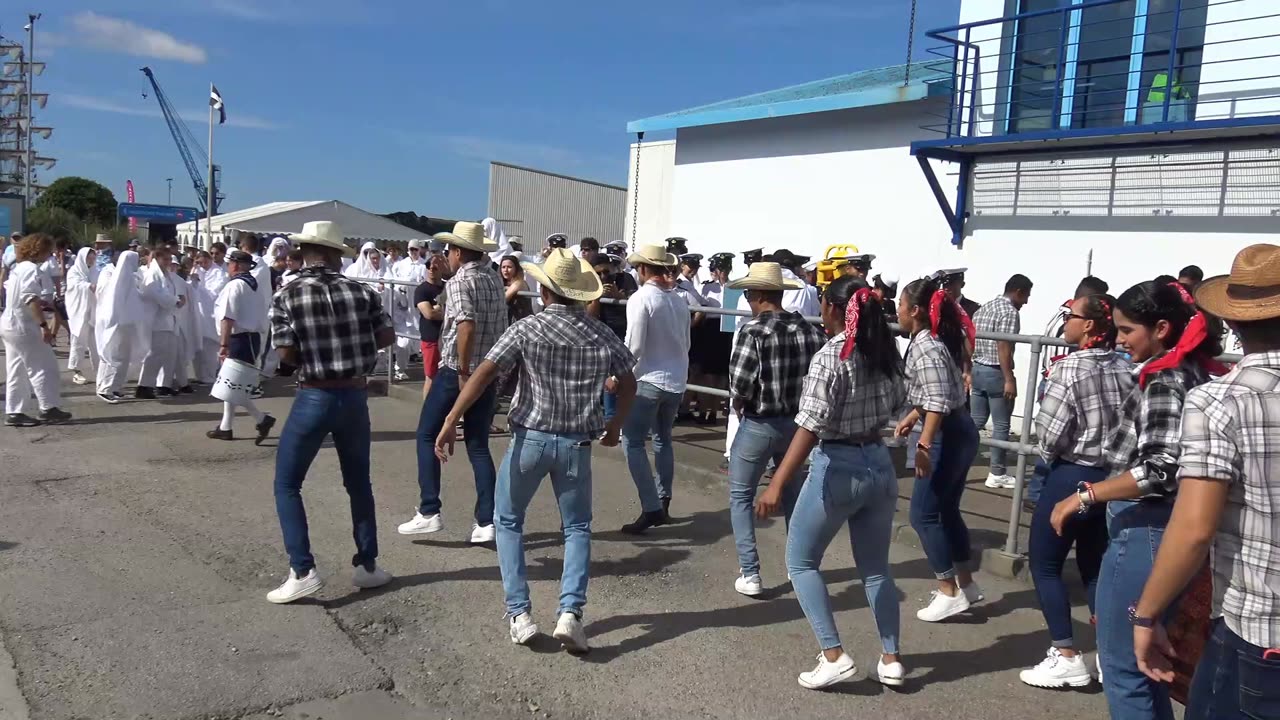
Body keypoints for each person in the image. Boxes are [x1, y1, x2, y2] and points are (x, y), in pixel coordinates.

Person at [434, 248, 638, 652]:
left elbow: (485, 372)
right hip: (577, 442)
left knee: (508, 520)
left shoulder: (527, 329)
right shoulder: (599, 332)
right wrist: (615, 427)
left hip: (532, 437)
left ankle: (520, 613)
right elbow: (628, 381)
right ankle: (570, 613)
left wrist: (451, 418)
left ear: (544, 290)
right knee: (577, 527)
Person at [1048, 279, 1224, 720]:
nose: (1121, 340)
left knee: (1126, 668)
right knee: (1146, 666)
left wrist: (1086, 496)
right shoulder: (1191, 369)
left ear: (1161, 327)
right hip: (1166, 526)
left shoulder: (1165, 376)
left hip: (1147, 526)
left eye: (1128, 331)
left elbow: (1160, 469)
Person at [1130, 245, 1280, 719]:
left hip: (1259, 628)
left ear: (1234, 323)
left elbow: (1194, 528)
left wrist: (1147, 612)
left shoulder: (1219, 401)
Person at [755, 275, 907, 689]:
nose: (820, 311)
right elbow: (899, 402)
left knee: (801, 562)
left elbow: (810, 425)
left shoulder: (832, 356)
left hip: (838, 464)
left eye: (824, 304)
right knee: (876, 569)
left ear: (837, 310)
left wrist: (775, 483)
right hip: (879, 459)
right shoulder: (885, 353)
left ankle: (833, 653)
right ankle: (891, 657)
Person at [265, 220, 395, 604]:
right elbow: (387, 336)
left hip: (315, 394)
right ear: (338, 254)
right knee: (358, 482)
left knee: (288, 484)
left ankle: (303, 569)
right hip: (354, 394)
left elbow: (286, 352)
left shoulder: (287, 294)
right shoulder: (362, 291)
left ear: (304, 253)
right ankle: (367, 564)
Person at [1018, 293, 1132, 689]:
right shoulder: (1127, 367)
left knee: (1045, 563)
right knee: (1095, 566)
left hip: (1072, 473)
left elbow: (1049, 435)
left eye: (1071, 316)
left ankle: (1066, 653)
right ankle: (1107, 649)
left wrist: (1052, 453)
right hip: (1112, 478)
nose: (1064, 321)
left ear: (1089, 326)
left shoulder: (1069, 370)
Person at [723, 262, 827, 596]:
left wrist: (740, 401)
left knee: (741, 495)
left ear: (756, 295)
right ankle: (801, 566)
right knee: (794, 494)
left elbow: (739, 383)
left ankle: (750, 572)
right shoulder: (811, 331)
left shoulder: (752, 331)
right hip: (798, 425)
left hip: (760, 421)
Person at [401, 222, 508, 544]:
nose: (446, 256)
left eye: (449, 250)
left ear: (459, 252)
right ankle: (486, 521)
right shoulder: (491, 277)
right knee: (478, 444)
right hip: (490, 368)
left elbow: (466, 325)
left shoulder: (461, 281)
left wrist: (462, 369)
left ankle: (429, 510)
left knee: (426, 434)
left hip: (459, 369)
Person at [894, 274, 983, 622]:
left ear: (914, 310)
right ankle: (966, 584)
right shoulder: (932, 341)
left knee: (922, 514)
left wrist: (925, 443)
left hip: (946, 432)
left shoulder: (925, 346)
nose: (897, 311)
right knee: (946, 510)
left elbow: (937, 401)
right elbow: (941, 391)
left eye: (901, 305)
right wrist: (914, 413)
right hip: (958, 427)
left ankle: (948, 591)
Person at [619, 243, 690, 534]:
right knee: (663, 440)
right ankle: (663, 499)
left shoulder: (641, 298)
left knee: (632, 441)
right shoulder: (679, 300)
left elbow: (634, 345)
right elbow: (686, 342)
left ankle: (651, 507)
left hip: (648, 379)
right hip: (675, 379)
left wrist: (618, 374)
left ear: (644, 269)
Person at [971, 274, 1034, 490]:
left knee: (975, 420)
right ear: (1017, 291)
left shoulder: (985, 307)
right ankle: (997, 472)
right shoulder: (1008, 312)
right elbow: (1004, 346)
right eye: (1026, 296)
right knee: (1001, 424)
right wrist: (1009, 379)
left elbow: (970, 338)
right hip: (996, 372)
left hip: (978, 368)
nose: (1026, 301)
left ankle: (956, 458)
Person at [2, 233, 71, 427]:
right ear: (39, 250)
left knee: (17, 369)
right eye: (48, 251)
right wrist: (44, 326)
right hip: (23, 326)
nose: (49, 255)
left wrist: (40, 304)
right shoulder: (31, 269)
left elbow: (20, 296)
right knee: (44, 366)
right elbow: (29, 298)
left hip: (9, 324)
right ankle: (48, 407)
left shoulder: (18, 268)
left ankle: (15, 411)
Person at [206, 250, 275, 442]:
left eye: (229, 264)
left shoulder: (235, 286)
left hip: (239, 340)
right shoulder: (254, 286)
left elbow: (228, 318)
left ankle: (261, 418)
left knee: (233, 384)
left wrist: (223, 344)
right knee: (232, 384)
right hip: (251, 339)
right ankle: (226, 426)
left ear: (235, 265)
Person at [94, 250, 143, 404]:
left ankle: (115, 387)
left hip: (126, 323)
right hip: (116, 324)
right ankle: (105, 389)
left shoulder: (129, 277)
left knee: (123, 357)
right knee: (112, 356)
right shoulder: (116, 279)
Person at [135, 245, 184, 399]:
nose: (168, 262)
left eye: (170, 259)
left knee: (165, 354)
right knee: (154, 353)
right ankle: (144, 386)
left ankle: (156, 385)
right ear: (157, 259)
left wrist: (177, 299)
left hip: (168, 319)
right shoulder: (152, 274)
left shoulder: (166, 274)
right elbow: (153, 292)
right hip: (157, 320)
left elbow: (168, 293)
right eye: (165, 259)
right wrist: (175, 301)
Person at [65, 246, 100, 387]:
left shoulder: (95, 271)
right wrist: (88, 286)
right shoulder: (74, 271)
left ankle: (100, 371)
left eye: (93, 257)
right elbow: (75, 285)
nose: (91, 260)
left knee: (96, 342)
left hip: (93, 311)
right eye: (88, 258)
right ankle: (76, 371)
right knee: (79, 341)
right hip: (79, 311)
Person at [414, 254, 447, 398]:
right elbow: (429, 314)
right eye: (428, 266)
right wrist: (447, 311)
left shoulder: (447, 287)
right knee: (431, 377)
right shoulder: (422, 290)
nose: (431, 269)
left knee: (448, 377)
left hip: (447, 338)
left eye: (435, 267)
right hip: (431, 339)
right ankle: (427, 410)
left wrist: (439, 309)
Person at [500, 255, 534, 325]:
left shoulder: (519, 283)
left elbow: (503, 300)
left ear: (516, 269)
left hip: (523, 323)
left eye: (509, 267)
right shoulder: (503, 283)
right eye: (503, 267)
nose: (505, 270)